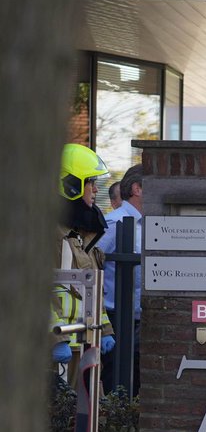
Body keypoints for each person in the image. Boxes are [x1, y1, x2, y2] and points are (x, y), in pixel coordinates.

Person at [53, 144, 114, 380]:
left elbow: (91, 289)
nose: (95, 189)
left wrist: (105, 329)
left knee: (86, 414)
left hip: (82, 344)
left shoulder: (80, 233)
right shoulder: (52, 234)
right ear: (71, 185)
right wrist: (56, 338)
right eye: (90, 182)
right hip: (55, 349)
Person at [99, 165, 144, 395]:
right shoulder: (114, 223)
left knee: (137, 378)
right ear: (138, 189)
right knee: (116, 381)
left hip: (139, 317)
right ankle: (112, 427)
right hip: (115, 316)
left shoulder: (148, 224)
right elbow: (90, 262)